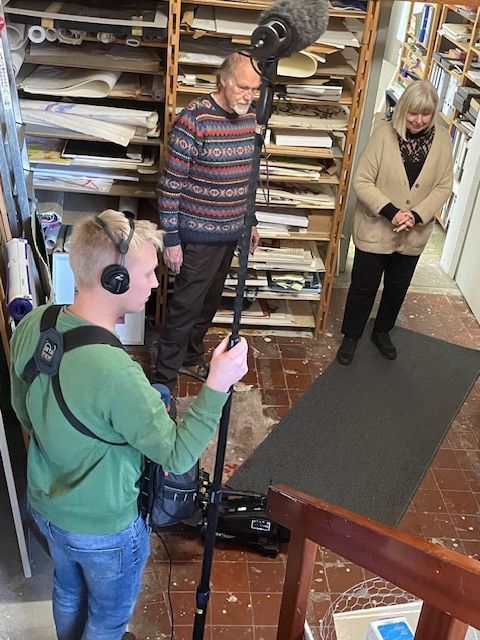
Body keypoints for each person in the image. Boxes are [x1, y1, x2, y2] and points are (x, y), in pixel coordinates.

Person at [9, 209, 248, 640]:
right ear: (115, 280)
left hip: (44, 505)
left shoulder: (34, 322)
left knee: (67, 587)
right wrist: (217, 383)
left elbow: (22, 407)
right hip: (103, 527)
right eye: (148, 272)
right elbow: (177, 455)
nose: (156, 283)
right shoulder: (118, 373)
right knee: (107, 619)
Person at [155, 51, 261, 390]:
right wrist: (171, 238)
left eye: (255, 89)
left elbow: (247, 176)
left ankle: (190, 356)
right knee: (186, 307)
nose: (249, 96)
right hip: (198, 235)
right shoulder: (194, 119)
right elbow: (170, 185)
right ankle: (163, 380)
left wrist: (250, 220)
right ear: (223, 80)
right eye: (243, 87)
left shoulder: (249, 117)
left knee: (209, 302)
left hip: (231, 232)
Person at [336, 80, 453, 366]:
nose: (419, 120)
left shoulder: (442, 140)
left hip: (414, 232)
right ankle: (351, 335)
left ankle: (382, 331)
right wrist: (392, 211)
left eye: (426, 114)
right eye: (413, 112)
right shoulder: (382, 135)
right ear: (402, 109)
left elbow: (443, 186)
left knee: (397, 287)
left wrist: (416, 214)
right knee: (364, 286)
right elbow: (362, 180)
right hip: (376, 228)